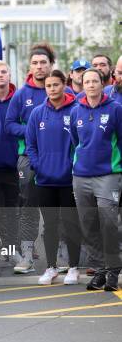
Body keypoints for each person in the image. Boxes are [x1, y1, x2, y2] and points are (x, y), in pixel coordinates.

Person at [25, 70, 82, 285]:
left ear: (64, 85)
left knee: (70, 224)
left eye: (56, 85)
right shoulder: (37, 113)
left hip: (68, 179)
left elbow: (80, 143)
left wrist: (72, 166)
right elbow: (30, 145)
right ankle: (51, 267)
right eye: (48, 86)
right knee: (49, 225)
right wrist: (38, 166)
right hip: (44, 179)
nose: (51, 89)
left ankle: (74, 267)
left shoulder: (76, 110)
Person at [5, 42, 56, 274]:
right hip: (27, 158)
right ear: (30, 66)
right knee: (28, 206)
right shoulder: (22, 94)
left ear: (51, 65)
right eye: (35, 63)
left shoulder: (60, 91)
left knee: (58, 205)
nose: (39, 67)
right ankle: (27, 255)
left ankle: (62, 256)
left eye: (43, 63)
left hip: (57, 159)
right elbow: (9, 125)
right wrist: (32, 131)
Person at [70, 68, 122, 291]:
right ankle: (99, 270)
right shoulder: (76, 111)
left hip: (108, 175)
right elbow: (75, 141)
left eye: (94, 81)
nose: (90, 85)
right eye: (86, 81)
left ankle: (113, 270)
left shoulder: (116, 109)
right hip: (81, 176)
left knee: (109, 223)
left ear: (104, 84)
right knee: (88, 224)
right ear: (82, 85)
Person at [0, 61, 21, 270]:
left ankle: (13, 250)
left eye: (4, 72)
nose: (0, 76)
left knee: (12, 212)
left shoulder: (17, 100)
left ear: (9, 75)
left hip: (13, 166)